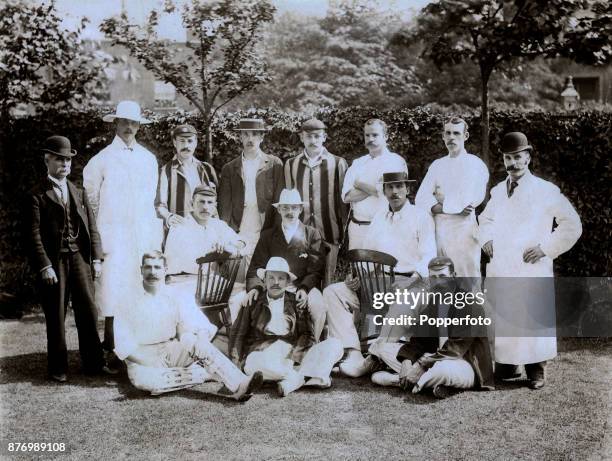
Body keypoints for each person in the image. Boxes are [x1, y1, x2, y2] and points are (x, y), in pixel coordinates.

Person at [479, 132, 582, 389]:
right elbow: (485, 220)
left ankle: (536, 369)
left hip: (530, 265)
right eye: (507, 158)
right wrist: (486, 239)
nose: (512, 163)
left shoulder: (545, 190)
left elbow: (572, 224)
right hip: (503, 264)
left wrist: (546, 248)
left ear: (528, 157)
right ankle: (507, 363)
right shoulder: (497, 191)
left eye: (517, 157)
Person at [323, 171, 436, 377]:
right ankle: (353, 352)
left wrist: (409, 282)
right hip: (376, 282)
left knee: (402, 301)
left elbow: (429, 256)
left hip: (410, 283)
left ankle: (374, 357)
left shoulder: (421, 216)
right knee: (334, 292)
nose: (394, 192)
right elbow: (367, 252)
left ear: (407, 189)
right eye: (390, 187)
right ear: (383, 191)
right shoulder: (379, 217)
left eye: (399, 186)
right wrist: (355, 275)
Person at [113, 251, 263, 399]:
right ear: (141, 269)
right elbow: (123, 345)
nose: (152, 272)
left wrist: (202, 341)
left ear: (165, 270)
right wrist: (149, 361)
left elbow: (199, 323)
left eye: (157, 267)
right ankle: (204, 373)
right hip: (143, 355)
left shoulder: (176, 294)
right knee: (147, 382)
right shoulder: (127, 299)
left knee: (195, 342)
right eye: (148, 267)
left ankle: (241, 384)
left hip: (170, 349)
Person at [83, 100, 163, 359]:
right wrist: (98, 243)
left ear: (139, 126)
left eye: (133, 122)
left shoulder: (148, 160)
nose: (129, 127)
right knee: (112, 291)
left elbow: (150, 202)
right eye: (124, 121)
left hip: (141, 237)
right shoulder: (101, 161)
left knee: (139, 290)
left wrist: (153, 239)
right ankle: (110, 350)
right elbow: (91, 204)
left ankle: (136, 350)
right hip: (113, 239)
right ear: (115, 124)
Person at [28, 135, 109, 382]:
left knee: (88, 310)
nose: (64, 164)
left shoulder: (78, 191)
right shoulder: (36, 195)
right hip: (55, 262)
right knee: (56, 313)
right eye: (59, 159)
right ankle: (58, 367)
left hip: (80, 259)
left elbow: (91, 228)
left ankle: (94, 364)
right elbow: (32, 235)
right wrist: (45, 266)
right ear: (47, 160)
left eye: (68, 160)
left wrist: (96, 258)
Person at [368, 257, 494, 399]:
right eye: (434, 277)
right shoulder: (433, 304)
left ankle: (398, 381)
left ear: (454, 276)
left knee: (443, 370)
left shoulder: (471, 305)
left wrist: (421, 365)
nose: (438, 282)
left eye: (443, 276)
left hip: (465, 365)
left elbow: (454, 351)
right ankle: (432, 384)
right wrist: (407, 361)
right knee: (384, 348)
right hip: (434, 359)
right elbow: (418, 340)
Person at [229, 257, 343, 397]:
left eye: (281, 278)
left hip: (291, 354)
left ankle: (292, 379)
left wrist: (294, 357)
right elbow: (237, 334)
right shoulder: (253, 302)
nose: (276, 282)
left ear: (288, 282)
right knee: (252, 364)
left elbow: (307, 335)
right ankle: (304, 377)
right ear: (264, 279)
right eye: (271, 277)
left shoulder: (296, 302)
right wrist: (234, 367)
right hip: (264, 352)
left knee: (335, 345)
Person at [236, 189, 326, 338]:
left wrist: (304, 288)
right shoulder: (268, 236)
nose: (290, 212)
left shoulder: (312, 234)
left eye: (294, 207)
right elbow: (256, 266)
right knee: (241, 301)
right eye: (285, 207)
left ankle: (311, 345)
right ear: (278, 209)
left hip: (300, 286)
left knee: (318, 306)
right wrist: (255, 287)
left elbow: (315, 270)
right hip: (272, 286)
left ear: (301, 209)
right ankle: (256, 345)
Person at [415, 117, 489, 281]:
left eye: (456, 133)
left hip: (464, 233)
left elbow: (467, 203)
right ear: (443, 136)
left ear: (466, 136)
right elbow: (421, 199)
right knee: (443, 284)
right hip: (440, 232)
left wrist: (439, 198)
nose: (451, 137)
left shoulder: (476, 165)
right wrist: (450, 205)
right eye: (447, 133)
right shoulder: (437, 165)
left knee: (468, 283)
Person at [284, 118, 348, 286]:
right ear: (301, 137)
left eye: (317, 136)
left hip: (330, 233)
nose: (313, 141)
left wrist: (343, 234)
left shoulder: (338, 163)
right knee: (301, 282)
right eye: (308, 136)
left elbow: (344, 202)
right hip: (301, 236)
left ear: (324, 137)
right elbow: (290, 203)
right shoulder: (291, 164)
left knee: (329, 283)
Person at [218, 118, 284, 274]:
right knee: (238, 275)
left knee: (263, 272)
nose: (250, 139)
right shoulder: (230, 168)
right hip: (240, 226)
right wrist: (226, 234)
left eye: (255, 135)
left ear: (261, 137)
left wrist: (276, 233)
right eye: (246, 135)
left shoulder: (274, 164)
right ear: (240, 137)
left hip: (264, 226)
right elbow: (225, 207)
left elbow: (279, 202)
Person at [164, 185, 245, 292]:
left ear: (215, 206)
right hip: (183, 281)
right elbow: (176, 265)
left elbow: (242, 242)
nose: (205, 207)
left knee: (242, 292)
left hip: (208, 282)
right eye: (201, 202)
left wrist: (226, 244)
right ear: (192, 203)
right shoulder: (180, 227)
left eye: (210, 202)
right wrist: (213, 254)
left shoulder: (218, 225)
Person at [341, 119, 408, 250]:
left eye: (375, 135)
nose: (370, 139)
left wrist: (359, 184)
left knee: (385, 270)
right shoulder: (357, 163)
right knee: (360, 269)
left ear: (385, 137)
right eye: (367, 135)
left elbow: (393, 194)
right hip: (358, 229)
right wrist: (378, 187)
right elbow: (347, 197)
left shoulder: (396, 161)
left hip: (386, 227)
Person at [155, 124, 218, 230]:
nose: (186, 146)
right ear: (175, 142)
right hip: (179, 232)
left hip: (204, 231)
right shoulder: (166, 171)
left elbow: (215, 204)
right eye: (182, 141)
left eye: (190, 141)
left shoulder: (206, 169)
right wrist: (169, 217)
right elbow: (159, 205)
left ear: (196, 143)